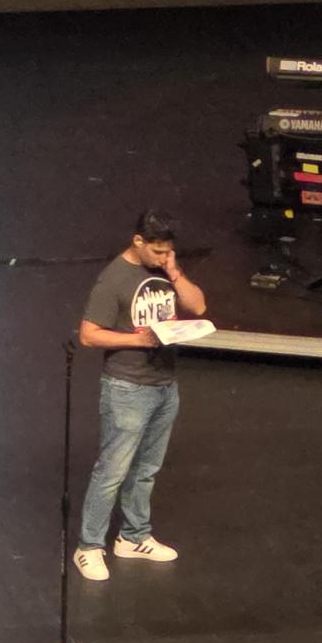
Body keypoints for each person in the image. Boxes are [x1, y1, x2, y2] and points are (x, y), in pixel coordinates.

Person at [73, 211, 207, 582]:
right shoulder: (113, 279)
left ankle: (133, 537)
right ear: (138, 242)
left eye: (169, 252)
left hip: (165, 384)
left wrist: (175, 271)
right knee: (112, 471)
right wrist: (137, 339)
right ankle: (89, 547)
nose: (164, 258)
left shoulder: (166, 270)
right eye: (159, 251)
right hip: (127, 388)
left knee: (146, 469)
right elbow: (88, 335)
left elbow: (197, 307)